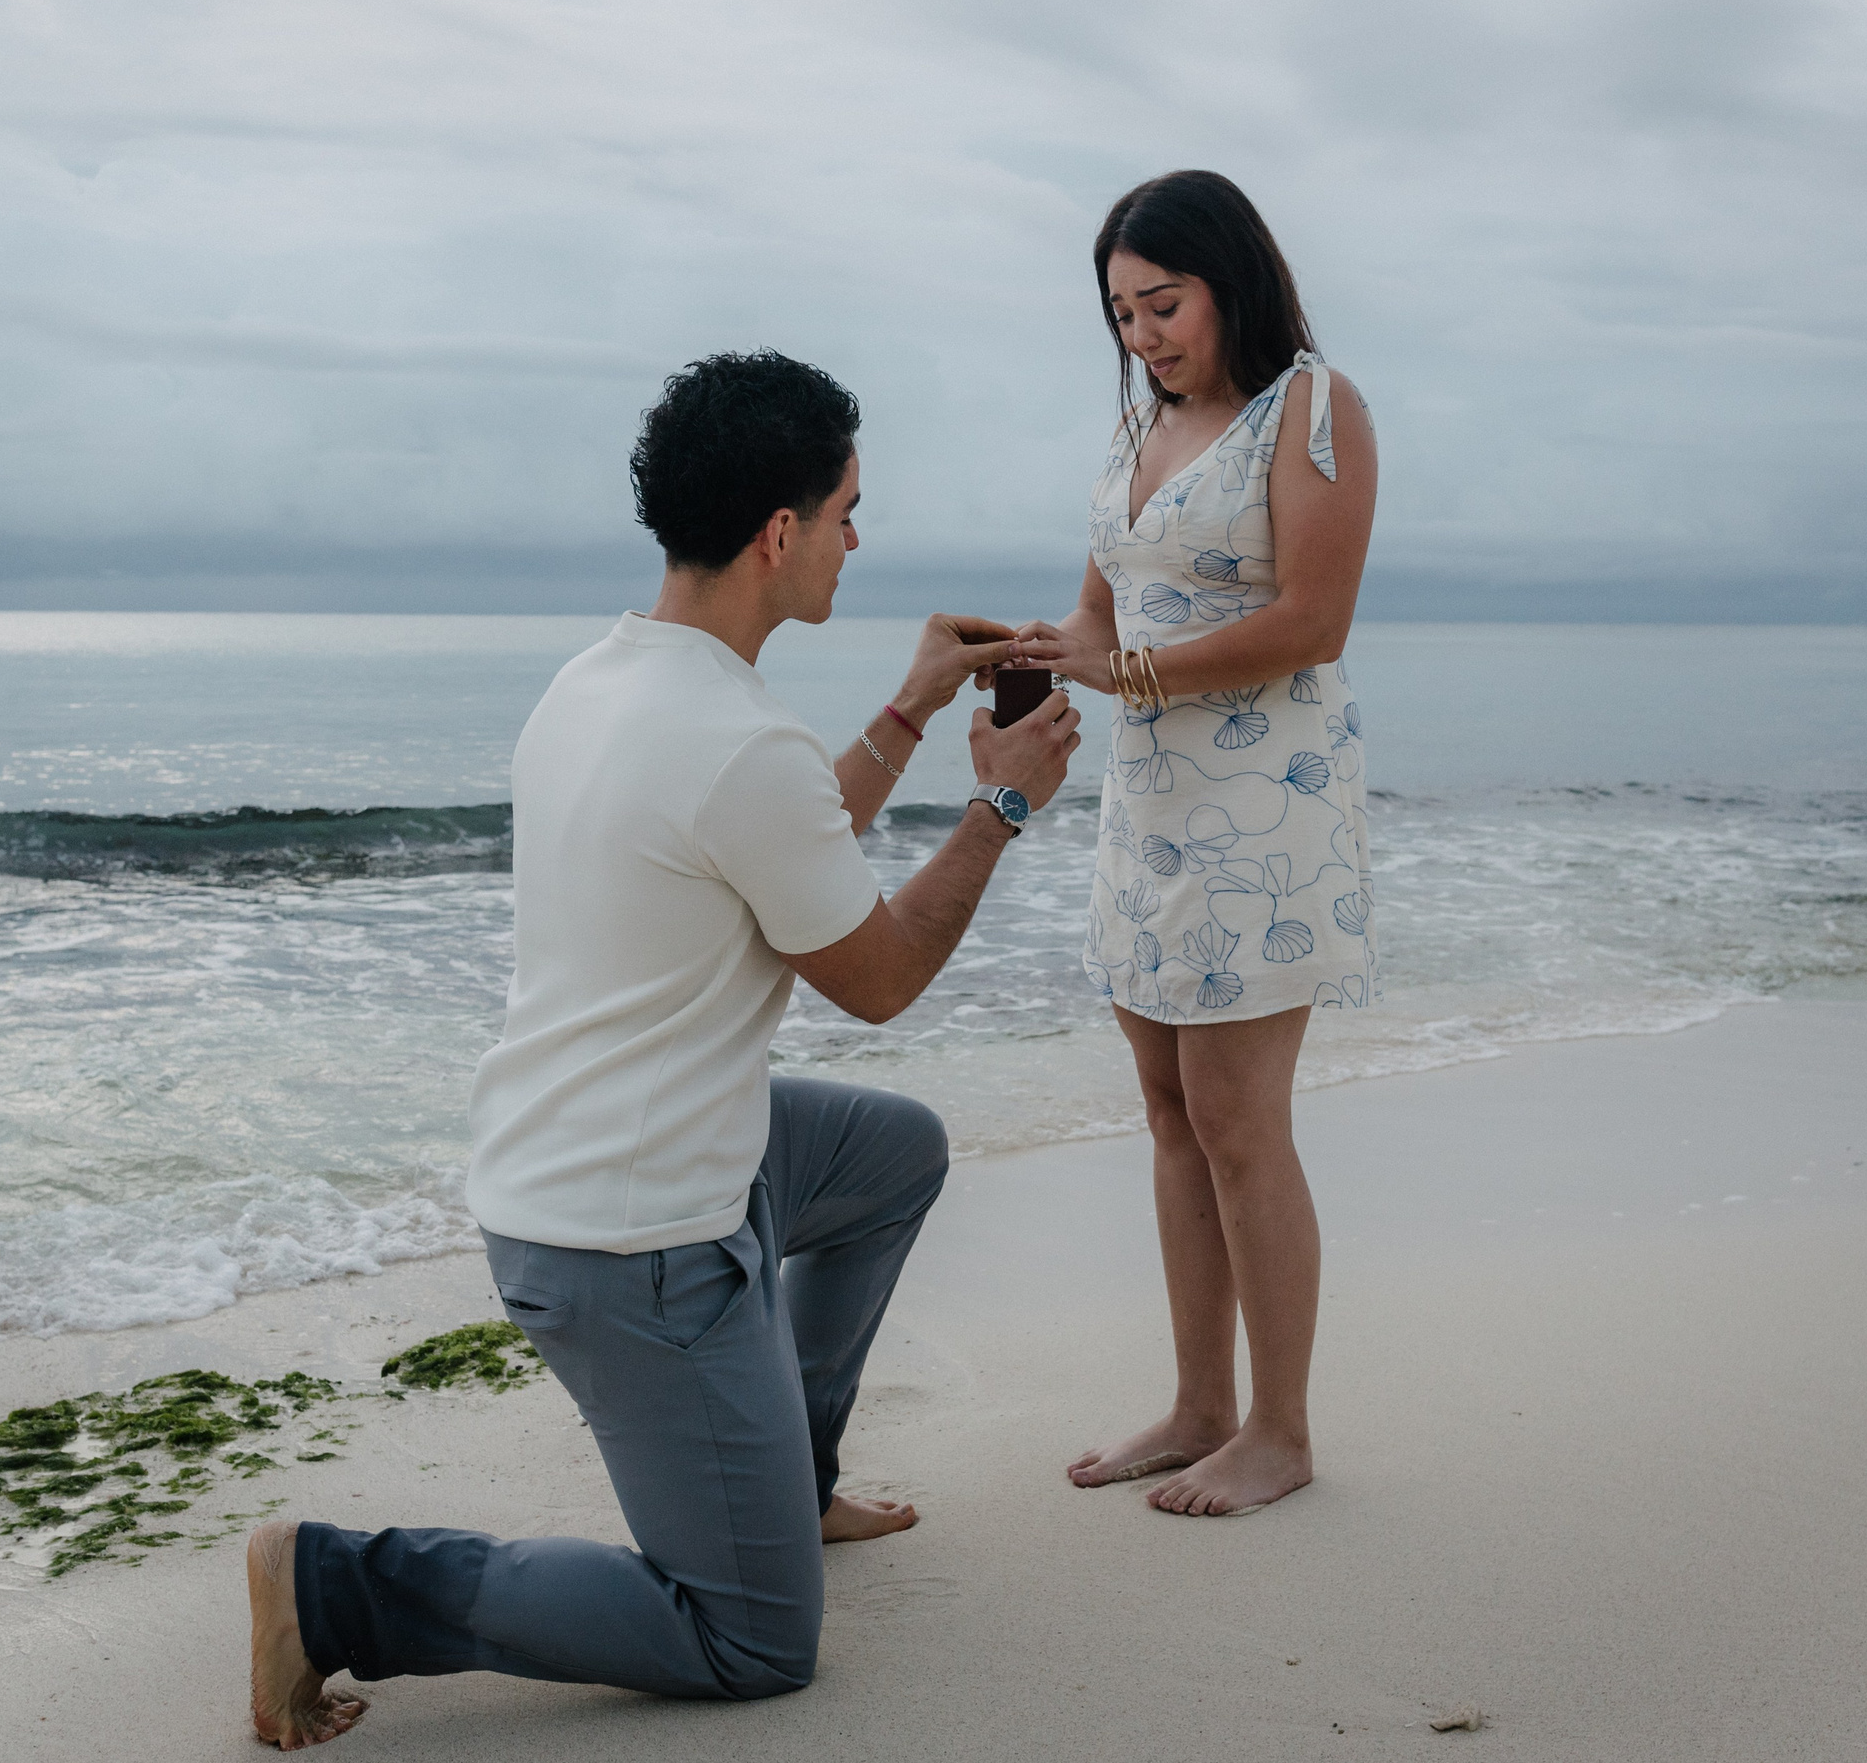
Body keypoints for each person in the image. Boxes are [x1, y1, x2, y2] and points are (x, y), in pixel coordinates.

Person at [246, 348, 1080, 1746]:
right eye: (847, 511)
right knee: (753, 1638)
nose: (857, 541)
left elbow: (784, 841)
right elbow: (873, 976)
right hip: (629, 1240)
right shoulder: (731, 740)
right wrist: (1000, 811)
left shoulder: (607, 677)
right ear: (779, 533)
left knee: (890, 1153)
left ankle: (787, 1474)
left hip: (611, 1160)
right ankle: (337, 1586)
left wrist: (913, 707)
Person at [1010, 170, 1378, 1518]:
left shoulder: (1312, 411)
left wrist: (1134, 676)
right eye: (1121, 312)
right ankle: (1199, 1403)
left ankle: (1280, 1429)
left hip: (1263, 806)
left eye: (1163, 304)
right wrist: (1046, 672)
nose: (1143, 335)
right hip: (1145, 803)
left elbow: (1314, 618)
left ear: (1231, 280)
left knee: (1237, 1116)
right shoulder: (1133, 429)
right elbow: (1100, 620)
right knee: (1166, 1108)